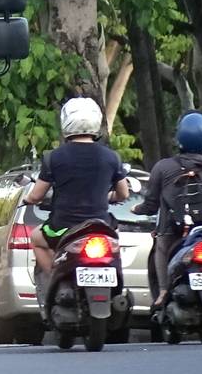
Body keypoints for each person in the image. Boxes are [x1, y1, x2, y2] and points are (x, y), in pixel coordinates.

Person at [23, 97, 130, 318]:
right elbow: (123, 194)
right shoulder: (111, 157)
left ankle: (56, 274)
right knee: (115, 247)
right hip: (101, 227)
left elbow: (36, 195)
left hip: (62, 228)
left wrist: (28, 200)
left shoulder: (54, 157)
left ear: (66, 122)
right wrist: (106, 196)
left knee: (36, 239)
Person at [137, 111, 202, 309]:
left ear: (179, 136)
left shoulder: (164, 167)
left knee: (161, 246)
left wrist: (137, 209)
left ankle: (163, 291)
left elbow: (151, 204)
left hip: (175, 231)